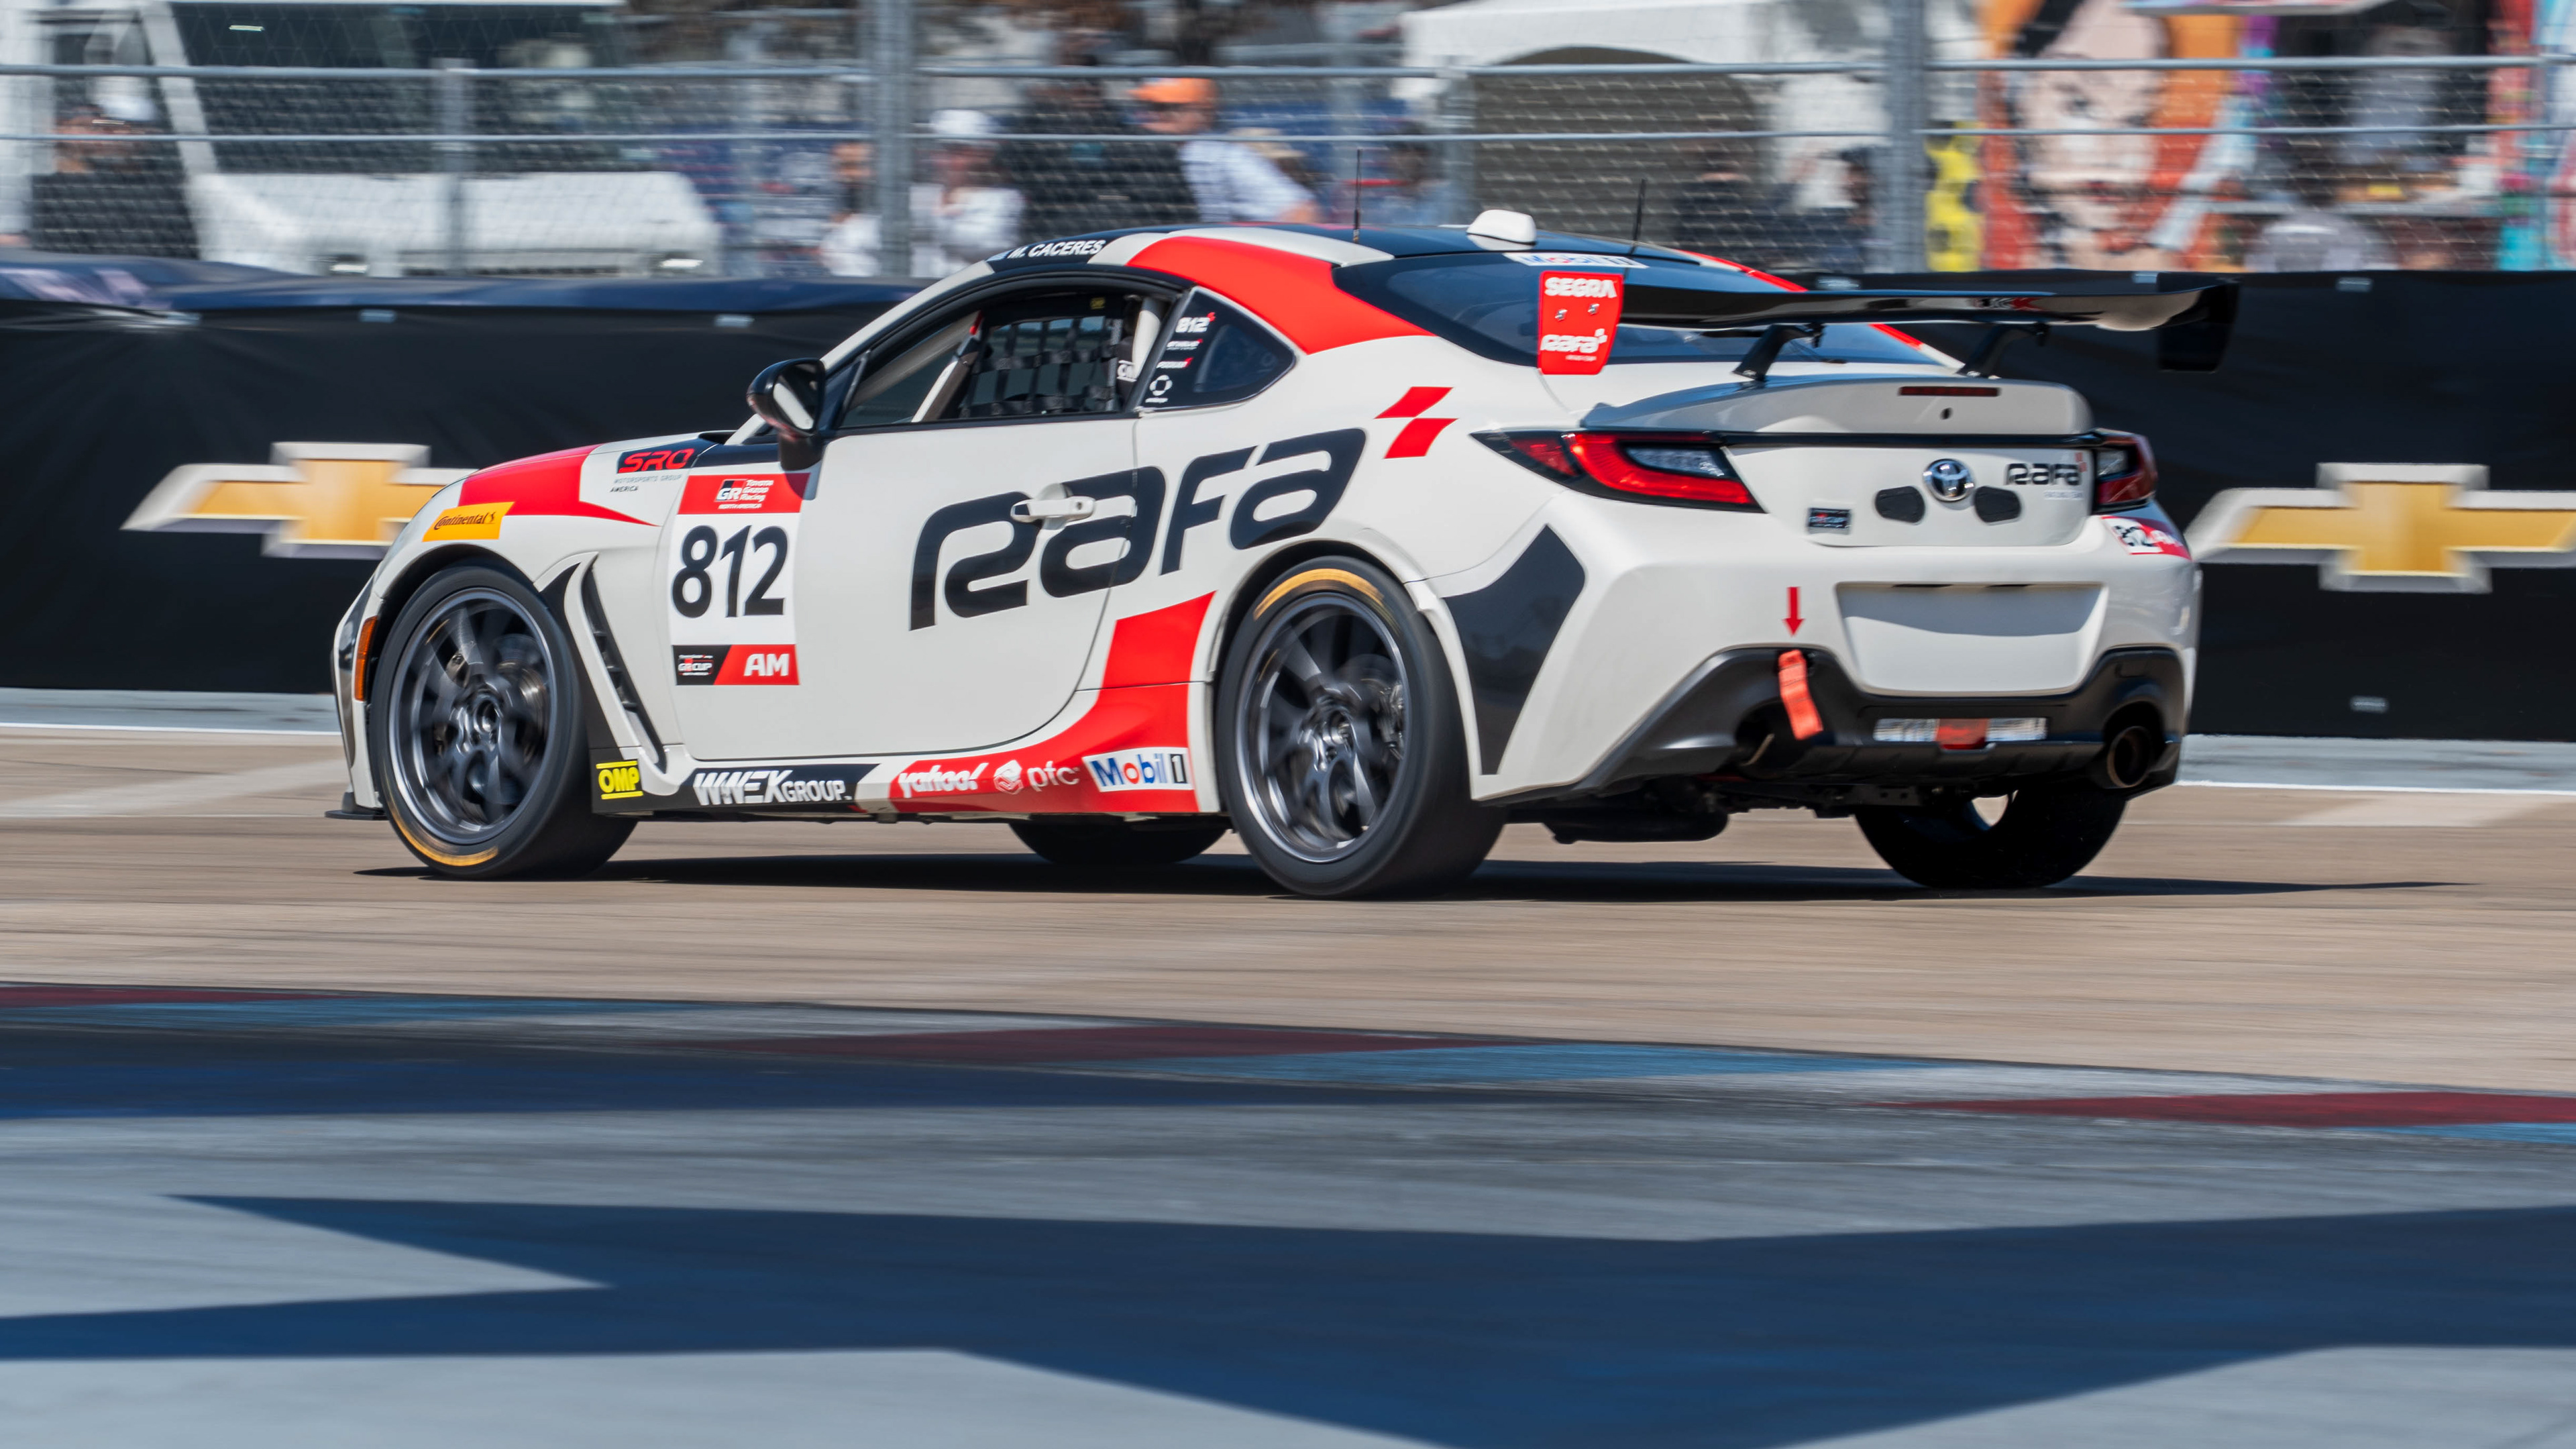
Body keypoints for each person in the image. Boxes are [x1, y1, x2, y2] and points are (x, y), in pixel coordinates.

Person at [820, 112, 1026, 278]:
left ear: (984, 154)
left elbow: (988, 244)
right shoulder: (919, 194)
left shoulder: (1002, 199)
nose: (944, 160)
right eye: (939, 150)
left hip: (966, 297)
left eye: (956, 151)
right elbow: (850, 241)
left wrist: (925, 222)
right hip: (911, 300)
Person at [1130, 76, 1322, 225]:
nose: (1152, 114)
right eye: (1147, 106)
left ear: (1203, 113)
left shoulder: (1223, 157)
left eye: (1166, 107)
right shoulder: (1132, 151)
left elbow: (1300, 210)